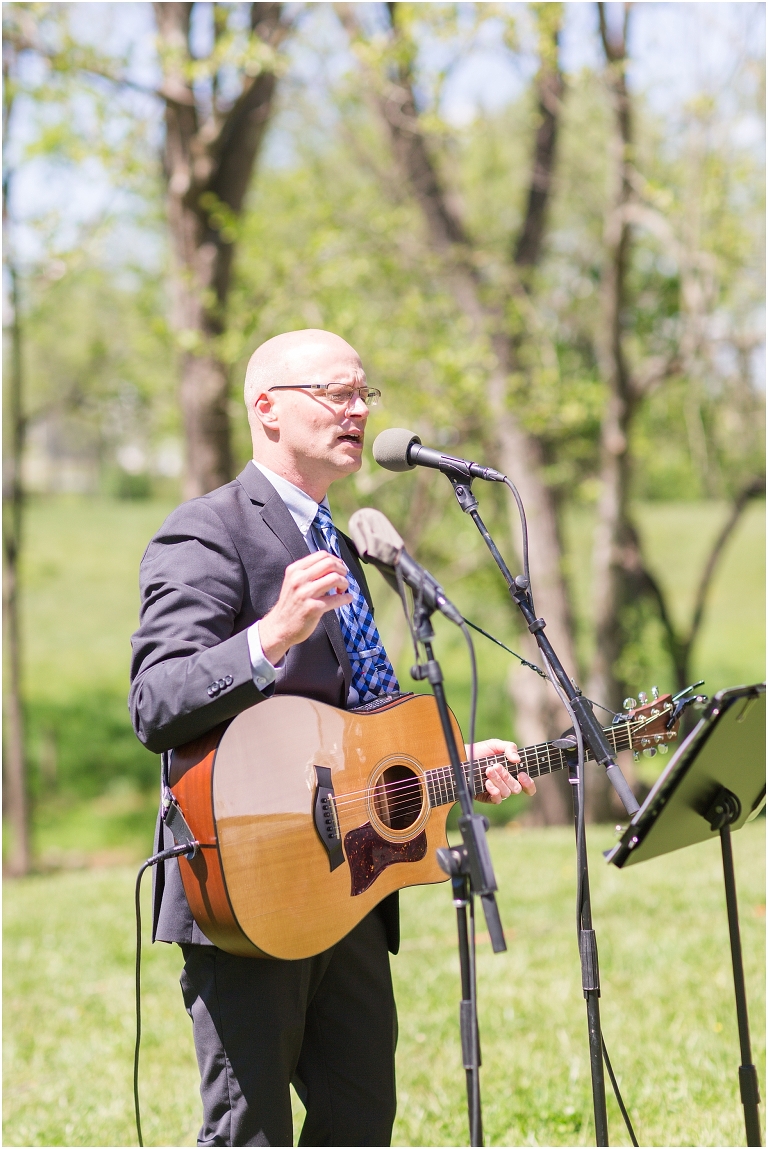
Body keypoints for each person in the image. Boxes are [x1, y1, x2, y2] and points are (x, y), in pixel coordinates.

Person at [130, 329, 536, 1148]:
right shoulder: (206, 530)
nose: (356, 410)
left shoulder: (340, 540)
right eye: (335, 393)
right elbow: (155, 701)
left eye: (363, 395)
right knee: (253, 1133)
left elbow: (350, 725)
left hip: (349, 881)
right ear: (267, 408)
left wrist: (452, 766)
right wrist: (270, 634)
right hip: (245, 879)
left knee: (359, 1123)